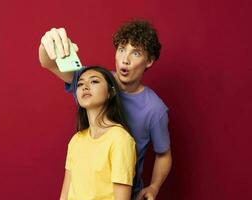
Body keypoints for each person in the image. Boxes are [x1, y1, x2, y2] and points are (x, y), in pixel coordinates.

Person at [39, 20, 172, 200]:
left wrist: (154, 187)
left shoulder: (154, 110)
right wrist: (48, 44)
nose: (125, 59)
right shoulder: (94, 83)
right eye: (122, 49)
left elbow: (163, 154)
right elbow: (48, 62)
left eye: (136, 52)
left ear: (148, 61)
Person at [59, 66, 136, 200]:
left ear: (110, 93)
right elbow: (65, 195)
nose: (85, 87)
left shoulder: (120, 139)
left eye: (94, 81)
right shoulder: (76, 140)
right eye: (80, 84)